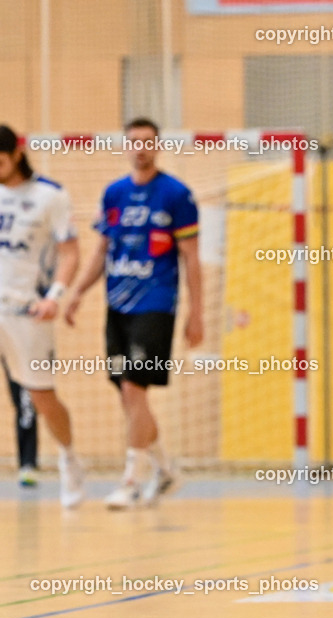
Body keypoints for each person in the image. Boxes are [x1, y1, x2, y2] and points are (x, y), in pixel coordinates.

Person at [65, 117, 202, 509]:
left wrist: (196, 314)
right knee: (130, 400)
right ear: (126, 146)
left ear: (157, 146)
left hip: (156, 305)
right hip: (117, 307)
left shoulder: (177, 195)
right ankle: (167, 469)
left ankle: (131, 480)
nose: (141, 147)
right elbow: (100, 251)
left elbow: (191, 259)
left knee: (133, 389)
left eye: (148, 141)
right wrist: (77, 293)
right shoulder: (114, 194)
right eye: (134, 141)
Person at [0, 124, 84, 507]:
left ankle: (68, 458)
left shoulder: (49, 196)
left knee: (41, 396)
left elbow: (70, 253)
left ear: (16, 154)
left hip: (27, 311)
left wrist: (56, 297)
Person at [4, 360, 39, 487]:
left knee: (27, 408)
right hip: (11, 350)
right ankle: (26, 465)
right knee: (23, 406)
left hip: (32, 352)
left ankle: (27, 464)